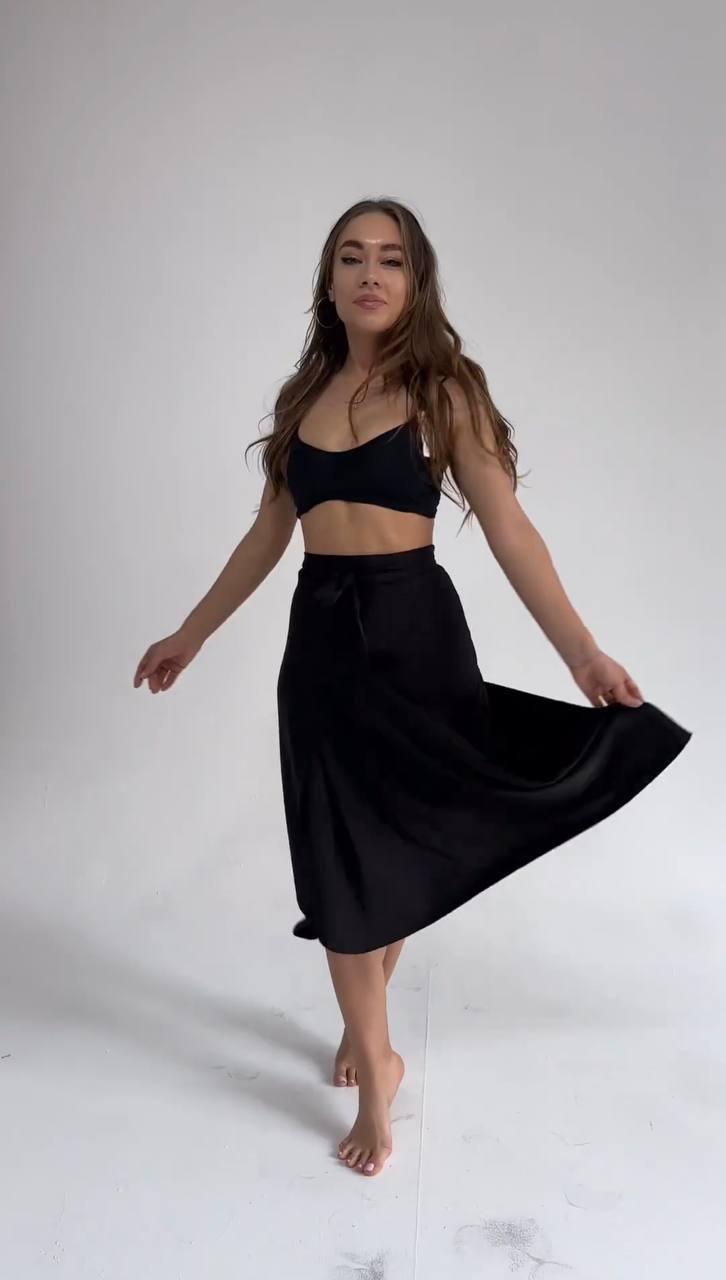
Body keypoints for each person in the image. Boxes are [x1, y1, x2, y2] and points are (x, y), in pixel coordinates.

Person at [133, 197, 691, 1180]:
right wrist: (192, 631)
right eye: (352, 257)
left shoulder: (445, 392)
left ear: (415, 279)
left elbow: (511, 530)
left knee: (395, 844)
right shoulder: (304, 395)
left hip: (416, 636)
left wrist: (583, 655)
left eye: (390, 259)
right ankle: (376, 1054)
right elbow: (268, 535)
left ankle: (372, 1042)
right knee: (339, 858)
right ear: (330, 281)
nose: (370, 274)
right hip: (321, 647)